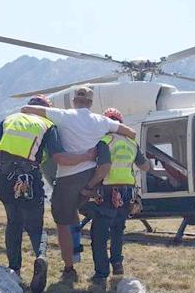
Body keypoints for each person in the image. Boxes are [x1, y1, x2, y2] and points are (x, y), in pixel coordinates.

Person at [0, 94, 94, 293]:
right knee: (36, 226)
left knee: (13, 222)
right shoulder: (48, 125)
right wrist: (86, 156)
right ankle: (40, 256)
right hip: (28, 177)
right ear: (44, 109)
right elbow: (60, 158)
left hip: (4, 177)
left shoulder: (10, 119)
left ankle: (14, 269)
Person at [21, 86, 136, 280]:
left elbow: (26, 109)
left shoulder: (64, 115)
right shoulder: (101, 121)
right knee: (82, 218)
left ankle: (69, 267)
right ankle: (94, 260)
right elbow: (131, 132)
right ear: (91, 103)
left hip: (69, 176)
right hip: (94, 178)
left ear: (74, 101)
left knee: (63, 222)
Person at [80, 108, 150, 283]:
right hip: (127, 192)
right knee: (118, 230)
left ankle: (101, 273)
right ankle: (117, 263)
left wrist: (88, 186)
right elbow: (145, 167)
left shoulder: (105, 141)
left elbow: (104, 168)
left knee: (99, 234)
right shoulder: (132, 143)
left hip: (109, 191)